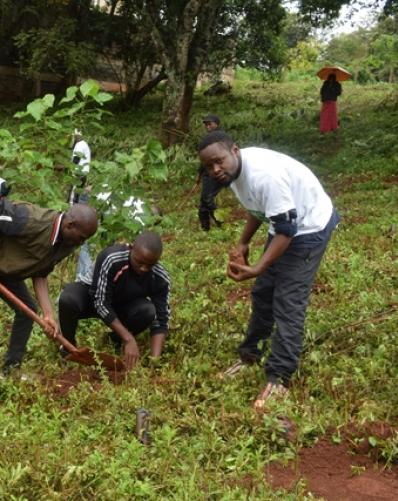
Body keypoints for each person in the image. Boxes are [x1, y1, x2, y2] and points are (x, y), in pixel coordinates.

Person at [197, 131, 339, 409]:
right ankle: (250, 356)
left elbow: (287, 229)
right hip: (285, 224)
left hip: (309, 227)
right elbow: (259, 206)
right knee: (263, 293)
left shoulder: (264, 175)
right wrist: (244, 241)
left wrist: (258, 267)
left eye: (219, 161)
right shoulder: (233, 173)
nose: (215, 170)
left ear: (234, 151)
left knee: (288, 300)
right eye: (208, 166)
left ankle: (279, 377)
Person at [0, 199, 98, 427]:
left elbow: (41, 272)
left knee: (27, 312)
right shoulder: (29, 219)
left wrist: (48, 314)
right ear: (70, 225)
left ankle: (11, 370)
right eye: (82, 237)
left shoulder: (68, 242)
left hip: (5, 266)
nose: (81, 243)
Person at [58, 231, 171, 370]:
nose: (143, 268)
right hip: (92, 297)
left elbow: (161, 321)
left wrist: (155, 361)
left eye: (150, 265)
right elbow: (99, 302)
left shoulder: (160, 277)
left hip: (122, 305)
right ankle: (68, 348)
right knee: (67, 299)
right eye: (139, 262)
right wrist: (129, 339)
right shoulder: (112, 258)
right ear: (131, 248)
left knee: (148, 311)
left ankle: (113, 340)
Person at [193, 114, 224, 231]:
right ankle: (205, 227)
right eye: (206, 124)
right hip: (207, 172)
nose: (207, 126)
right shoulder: (208, 138)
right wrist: (199, 174)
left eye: (209, 124)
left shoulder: (221, 138)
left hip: (216, 172)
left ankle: (220, 221)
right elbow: (204, 159)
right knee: (204, 201)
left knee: (207, 199)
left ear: (216, 124)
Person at [71, 129, 94, 283]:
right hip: (82, 178)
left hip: (80, 178)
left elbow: (74, 163)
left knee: (77, 211)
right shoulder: (84, 144)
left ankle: (83, 274)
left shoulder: (80, 144)